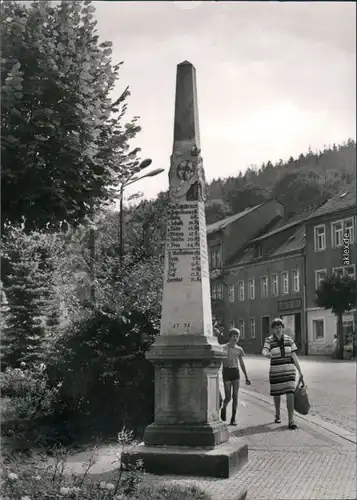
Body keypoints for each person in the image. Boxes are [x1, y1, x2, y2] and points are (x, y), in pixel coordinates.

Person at [262, 318, 304, 430]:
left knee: (290, 394)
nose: (278, 329)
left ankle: (291, 420)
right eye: (276, 328)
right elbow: (264, 350)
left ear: (283, 328)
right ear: (273, 329)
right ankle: (277, 414)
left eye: (280, 327)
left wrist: (300, 371)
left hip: (289, 371)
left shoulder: (289, 339)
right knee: (277, 394)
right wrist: (267, 354)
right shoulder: (269, 340)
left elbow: (294, 356)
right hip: (276, 372)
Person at [220, 328, 251, 426]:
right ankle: (224, 407)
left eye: (237, 336)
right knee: (228, 396)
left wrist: (246, 376)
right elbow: (218, 360)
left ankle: (233, 418)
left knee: (235, 396)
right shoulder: (223, 347)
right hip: (226, 371)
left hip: (235, 372)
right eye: (233, 336)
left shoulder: (239, 349)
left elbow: (242, 363)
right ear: (230, 337)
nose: (235, 338)